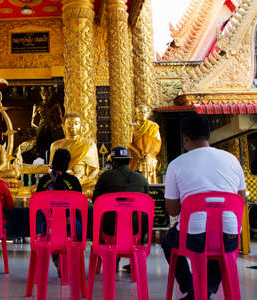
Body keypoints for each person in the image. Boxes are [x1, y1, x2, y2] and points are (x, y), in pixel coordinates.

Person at [162, 114, 246, 300]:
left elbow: (173, 210)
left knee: (168, 241)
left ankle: (192, 289)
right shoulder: (232, 160)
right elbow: (241, 200)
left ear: (185, 137)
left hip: (193, 238)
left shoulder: (176, 165)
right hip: (230, 236)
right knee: (220, 243)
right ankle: (206, 290)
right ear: (209, 135)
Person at [92, 146, 149, 271]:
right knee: (141, 216)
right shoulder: (141, 178)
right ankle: (134, 259)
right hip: (136, 228)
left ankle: (111, 258)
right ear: (129, 161)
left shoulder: (106, 177)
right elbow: (146, 203)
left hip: (110, 228)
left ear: (114, 161)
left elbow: (96, 201)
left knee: (98, 214)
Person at [36, 148, 82, 276]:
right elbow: (80, 207)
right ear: (68, 164)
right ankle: (65, 260)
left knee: (52, 232)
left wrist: (51, 219)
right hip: (72, 226)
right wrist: (69, 218)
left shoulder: (44, 181)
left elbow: (38, 206)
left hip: (48, 226)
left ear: (53, 161)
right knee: (75, 232)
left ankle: (57, 260)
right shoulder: (74, 182)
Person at [50, 113, 99, 186]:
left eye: (76, 123)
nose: (73, 126)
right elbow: (51, 167)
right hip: (61, 180)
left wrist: (83, 180)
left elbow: (94, 170)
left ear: (81, 126)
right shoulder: (55, 145)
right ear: (63, 126)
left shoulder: (88, 144)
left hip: (80, 182)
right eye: (69, 123)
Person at [128, 104, 161, 184]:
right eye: (139, 112)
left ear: (147, 113)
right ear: (135, 114)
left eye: (144, 112)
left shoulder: (153, 126)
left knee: (148, 180)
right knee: (136, 180)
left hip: (149, 156)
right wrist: (138, 153)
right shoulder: (132, 126)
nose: (142, 114)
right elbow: (129, 143)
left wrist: (149, 153)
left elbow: (157, 142)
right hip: (136, 156)